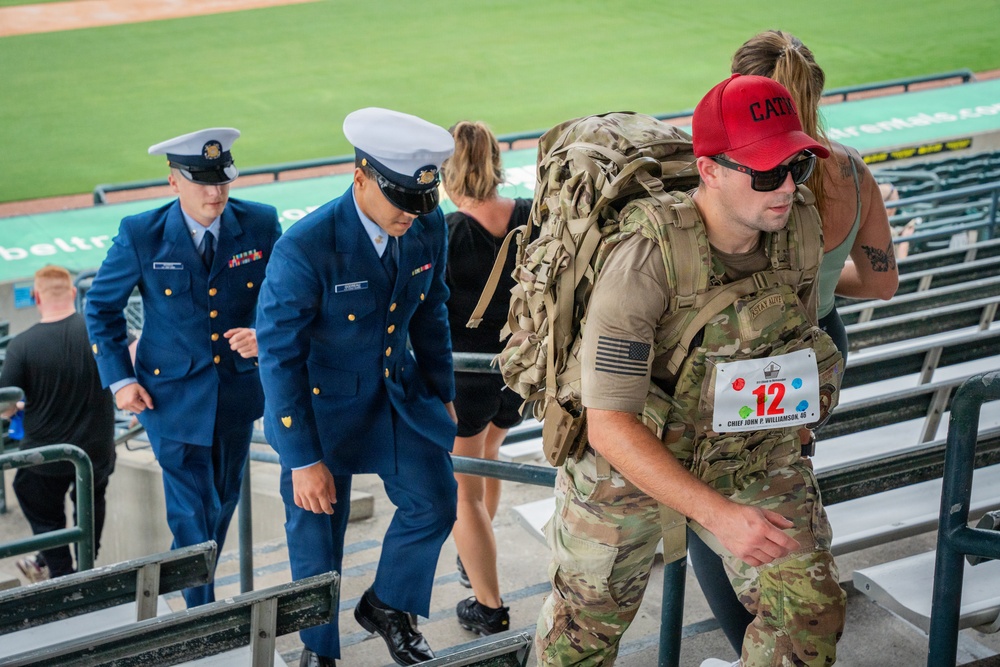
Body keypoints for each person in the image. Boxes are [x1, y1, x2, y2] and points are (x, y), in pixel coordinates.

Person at [534, 74, 847, 667]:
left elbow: (792, 338)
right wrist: (719, 516)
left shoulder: (796, 226)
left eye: (796, 167)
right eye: (763, 172)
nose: (784, 187)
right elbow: (608, 426)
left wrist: (796, 414)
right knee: (581, 636)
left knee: (809, 613)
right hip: (627, 464)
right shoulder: (644, 263)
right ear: (710, 170)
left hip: (745, 448)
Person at [691, 31, 901, 664]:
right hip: (818, 353)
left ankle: (750, 647)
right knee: (784, 486)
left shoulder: (737, 177)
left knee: (718, 510)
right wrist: (824, 279)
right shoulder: (852, 170)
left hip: (746, 360)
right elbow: (883, 282)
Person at [255, 107, 458, 667]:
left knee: (436, 504)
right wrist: (301, 457)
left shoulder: (426, 223)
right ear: (361, 177)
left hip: (398, 396)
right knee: (318, 538)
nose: (410, 217)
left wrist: (443, 389)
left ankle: (388, 605)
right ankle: (318, 652)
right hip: (322, 413)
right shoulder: (305, 246)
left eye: (421, 202)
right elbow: (278, 356)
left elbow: (431, 309)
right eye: (400, 200)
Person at [85, 128, 281, 607]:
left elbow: (285, 296)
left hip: (236, 395)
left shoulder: (259, 223)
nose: (215, 193)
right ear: (174, 182)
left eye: (223, 181)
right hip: (168, 399)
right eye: (202, 182)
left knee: (220, 507)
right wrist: (120, 381)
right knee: (194, 514)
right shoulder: (141, 233)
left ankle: (177, 588)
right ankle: (200, 617)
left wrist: (263, 333)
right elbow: (101, 307)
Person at [441, 120, 531, 635]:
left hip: (466, 378)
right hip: (516, 369)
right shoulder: (527, 215)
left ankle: (489, 606)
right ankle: (479, 553)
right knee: (490, 461)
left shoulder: (447, 233)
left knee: (463, 496)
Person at [0, 265, 116, 582]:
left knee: (35, 501)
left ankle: (61, 572)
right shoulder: (98, 331)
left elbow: (6, 405)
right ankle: (87, 564)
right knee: (92, 498)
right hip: (96, 450)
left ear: (37, 297)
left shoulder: (22, 345)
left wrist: (15, 410)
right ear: (74, 292)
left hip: (45, 454)